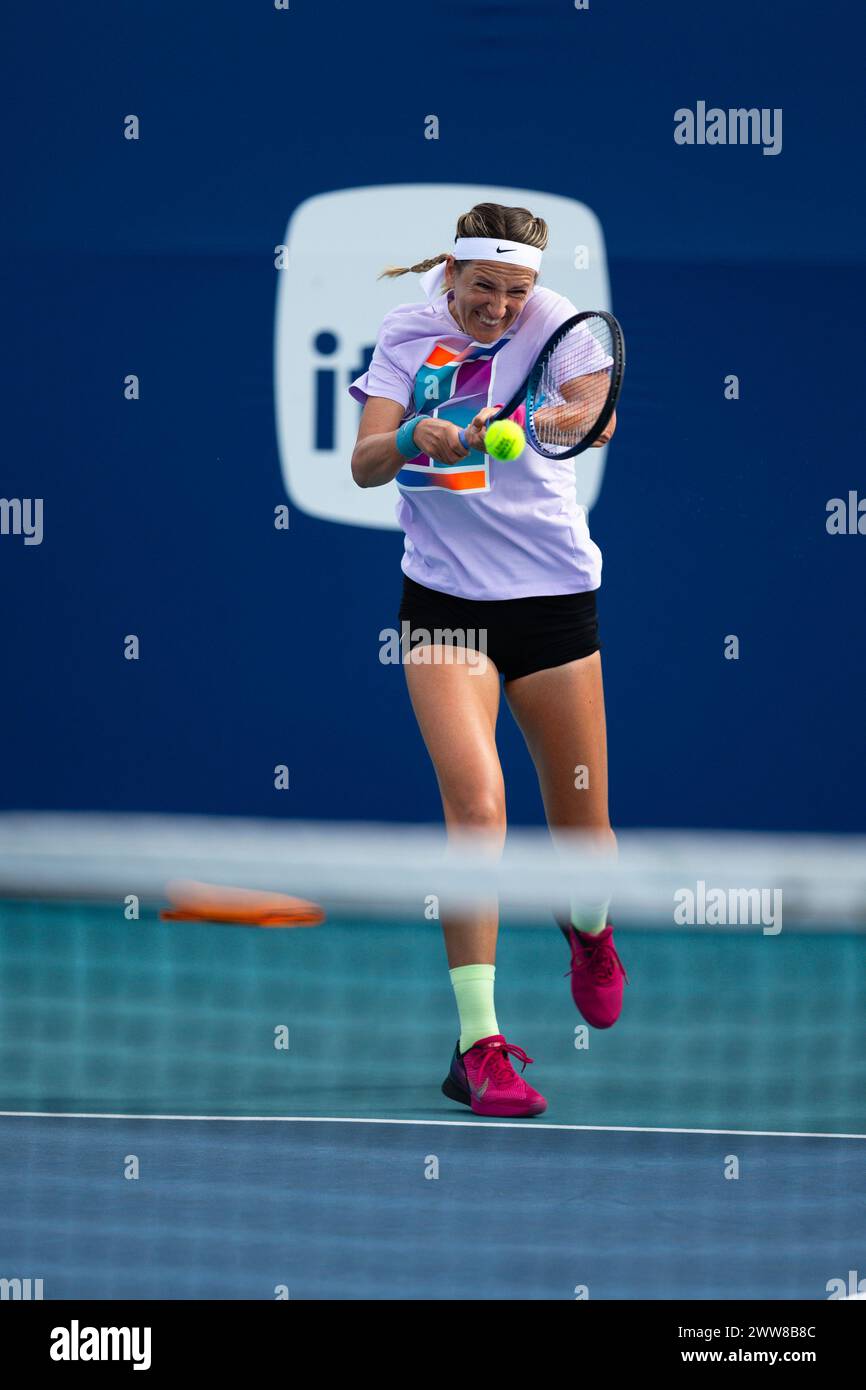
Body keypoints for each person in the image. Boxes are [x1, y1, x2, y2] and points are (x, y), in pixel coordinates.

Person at [349, 202, 627, 1118]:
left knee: (582, 833)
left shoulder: (560, 325)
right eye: (485, 288)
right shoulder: (408, 331)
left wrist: (549, 419)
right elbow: (364, 464)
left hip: (552, 606)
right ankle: (480, 1045)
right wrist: (411, 437)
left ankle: (588, 929)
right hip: (445, 608)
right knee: (477, 810)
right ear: (454, 274)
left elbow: (598, 419)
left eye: (518, 290)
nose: (502, 307)